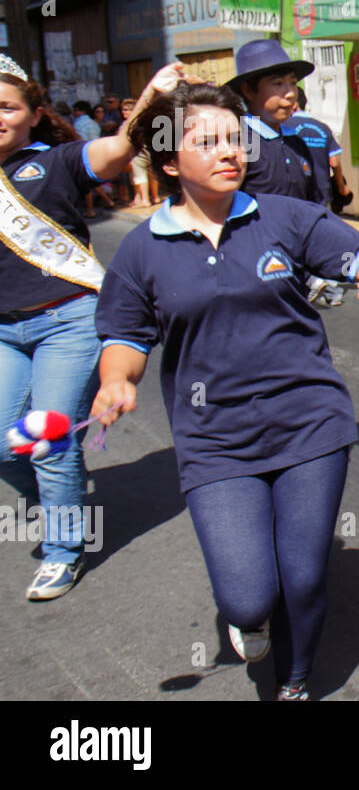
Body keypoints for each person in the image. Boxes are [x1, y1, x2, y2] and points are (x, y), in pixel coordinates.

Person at [92, 80, 359, 701]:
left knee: (305, 576)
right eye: (208, 142)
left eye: (236, 138)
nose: (230, 151)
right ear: (171, 161)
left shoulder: (288, 218)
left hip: (310, 424)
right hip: (214, 440)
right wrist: (117, 381)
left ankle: (296, 680)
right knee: (247, 592)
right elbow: (125, 333)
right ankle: (251, 618)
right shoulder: (144, 250)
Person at [0, 55, 181, 600]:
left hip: (67, 322)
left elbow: (122, 148)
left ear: (33, 114)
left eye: (6, 106)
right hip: (5, 330)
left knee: (51, 440)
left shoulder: (55, 162)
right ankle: (60, 493)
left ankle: (64, 549)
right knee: (9, 445)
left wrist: (151, 94)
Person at [227, 41, 320, 205]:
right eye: (278, 83)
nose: (290, 93)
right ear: (248, 90)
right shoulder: (238, 142)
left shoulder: (295, 141)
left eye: (293, 83)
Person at [283, 88, 348, 306]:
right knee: (321, 237)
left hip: (296, 194)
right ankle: (328, 283)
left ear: (293, 104)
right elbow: (335, 162)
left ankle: (310, 280)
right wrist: (341, 188)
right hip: (321, 193)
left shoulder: (285, 128)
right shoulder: (322, 128)